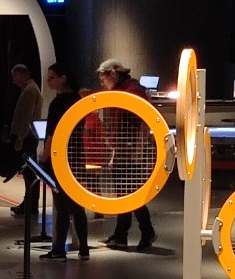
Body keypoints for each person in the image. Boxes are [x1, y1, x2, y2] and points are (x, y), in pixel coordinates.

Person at [96, 58, 157, 250]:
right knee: (124, 194)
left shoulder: (133, 91)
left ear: (113, 74)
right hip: (123, 151)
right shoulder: (125, 90)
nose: (102, 83)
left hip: (131, 153)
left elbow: (142, 123)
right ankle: (122, 234)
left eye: (103, 78)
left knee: (131, 195)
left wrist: (135, 151)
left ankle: (146, 232)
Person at [40, 63, 90, 261]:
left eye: (52, 77)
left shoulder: (57, 103)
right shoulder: (78, 100)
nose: (48, 81)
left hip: (60, 159)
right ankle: (84, 249)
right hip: (77, 158)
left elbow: (52, 135)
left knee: (61, 206)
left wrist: (44, 157)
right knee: (78, 206)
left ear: (63, 78)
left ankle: (59, 250)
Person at [8, 64, 44, 218]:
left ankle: (30, 204)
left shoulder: (29, 90)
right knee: (29, 172)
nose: (13, 80)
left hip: (27, 137)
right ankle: (29, 203)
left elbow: (27, 116)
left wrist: (20, 137)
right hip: (30, 135)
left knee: (29, 172)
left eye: (15, 76)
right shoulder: (32, 89)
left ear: (23, 74)